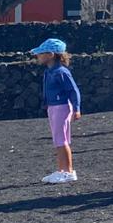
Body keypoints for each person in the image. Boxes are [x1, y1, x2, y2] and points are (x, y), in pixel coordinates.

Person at [30, 38, 82, 184]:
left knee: (62, 140)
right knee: (58, 140)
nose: (38, 56)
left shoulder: (61, 72)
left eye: (41, 53)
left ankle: (68, 172)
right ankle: (61, 170)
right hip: (54, 107)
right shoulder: (50, 71)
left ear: (51, 55)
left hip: (61, 107)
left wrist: (76, 108)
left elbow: (73, 90)